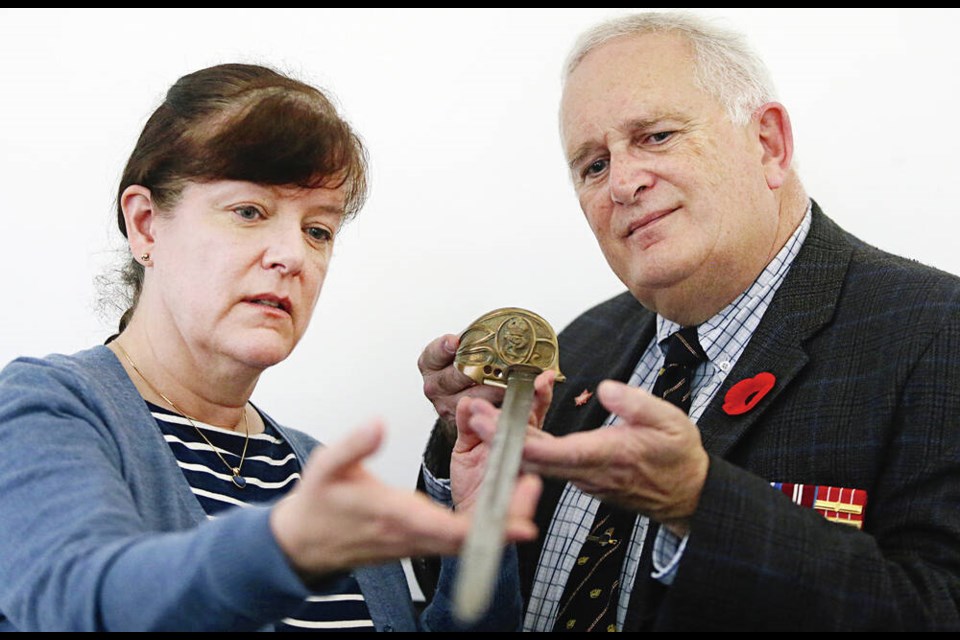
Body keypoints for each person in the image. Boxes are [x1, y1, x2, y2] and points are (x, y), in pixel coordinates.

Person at [415, 11, 960, 631]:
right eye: (593, 165)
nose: (621, 183)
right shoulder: (579, 346)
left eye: (656, 136)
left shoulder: (937, 334)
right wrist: (473, 486)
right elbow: (456, 603)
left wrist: (701, 508)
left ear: (768, 144)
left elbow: (939, 610)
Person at [0, 62, 540, 632]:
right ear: (145, 225)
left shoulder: (316, 469)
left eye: (318, 230)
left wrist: (478, 518)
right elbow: (84, 605)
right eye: (250, 212)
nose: (294, 256)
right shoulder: (47, 407)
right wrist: (284, 546)